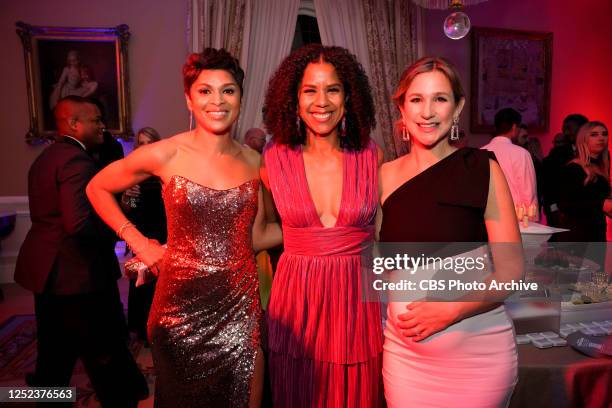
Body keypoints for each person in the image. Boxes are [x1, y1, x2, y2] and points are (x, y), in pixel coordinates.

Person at [86, 48, 281, 407]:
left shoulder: (256, 162)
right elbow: (97, 187)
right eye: (205, 91)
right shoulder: (166, 153)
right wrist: (140, 242)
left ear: (240, 96)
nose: (217, 101)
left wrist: (316, 231)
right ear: (189, 99)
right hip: (179, 313)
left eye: (228, 90)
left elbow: (260, 234)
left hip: (240, 310)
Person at [379, 57, 522, 407]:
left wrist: (450, 309)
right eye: (416, 99)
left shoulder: (483, 169)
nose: (427, 111)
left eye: (440, 99)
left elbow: (512, 272)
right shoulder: (382, 174)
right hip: (405, 359)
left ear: (457, 108)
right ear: (401, 107)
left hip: (478, 358)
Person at [262, 44, 384, 407]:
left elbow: (385, 235)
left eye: (332, 89)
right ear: (293, 99)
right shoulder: (272, 159)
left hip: (357, 301)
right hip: (297, 301)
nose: (322, 101)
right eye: (310, 90)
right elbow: (259, 232)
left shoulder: (372, 156)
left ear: (348, 98)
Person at [14, 95, 147, 406]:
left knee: (54, 352)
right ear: (74, 124)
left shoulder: (47, 157)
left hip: (48, 270)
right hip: (78, 274)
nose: (102, 125)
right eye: (95, 120)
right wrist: (119, 228)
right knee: (103, 351)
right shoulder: (77, 161)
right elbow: (78, 223)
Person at [120, 127, 167, 343]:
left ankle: (159, 330)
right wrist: (128, 197)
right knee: (140, 285)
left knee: (160, 286)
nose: (144, 147)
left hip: (163, 234)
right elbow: (128, 209)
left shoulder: (164, 173)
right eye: (140, 143)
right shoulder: (132, 174)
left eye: (149, 142)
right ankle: (142, 329)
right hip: (141, 235)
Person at [556, 121, 612, 243]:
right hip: (578, 234)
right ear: (583, 139)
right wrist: (601, 204)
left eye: (604, 134)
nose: (601, 138)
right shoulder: (574, 168)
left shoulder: (603, 165)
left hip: (598, 232)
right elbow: (565, 204)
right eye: (594, 134)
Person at [482, 108, 538, 222]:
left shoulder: (481, 152)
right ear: (514, 127)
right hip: (514, 218)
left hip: (486, 216)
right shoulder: (521, 153)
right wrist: (532, 220)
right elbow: (528, 192)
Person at [542, 114, 589, 226]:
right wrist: (553, 208)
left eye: (569, 129)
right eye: (564, 130)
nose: (566, 133)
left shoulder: (597, 153)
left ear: (584, 129)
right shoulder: (557, 153)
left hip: (589, 215)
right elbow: (548, 183)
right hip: (564, 214)